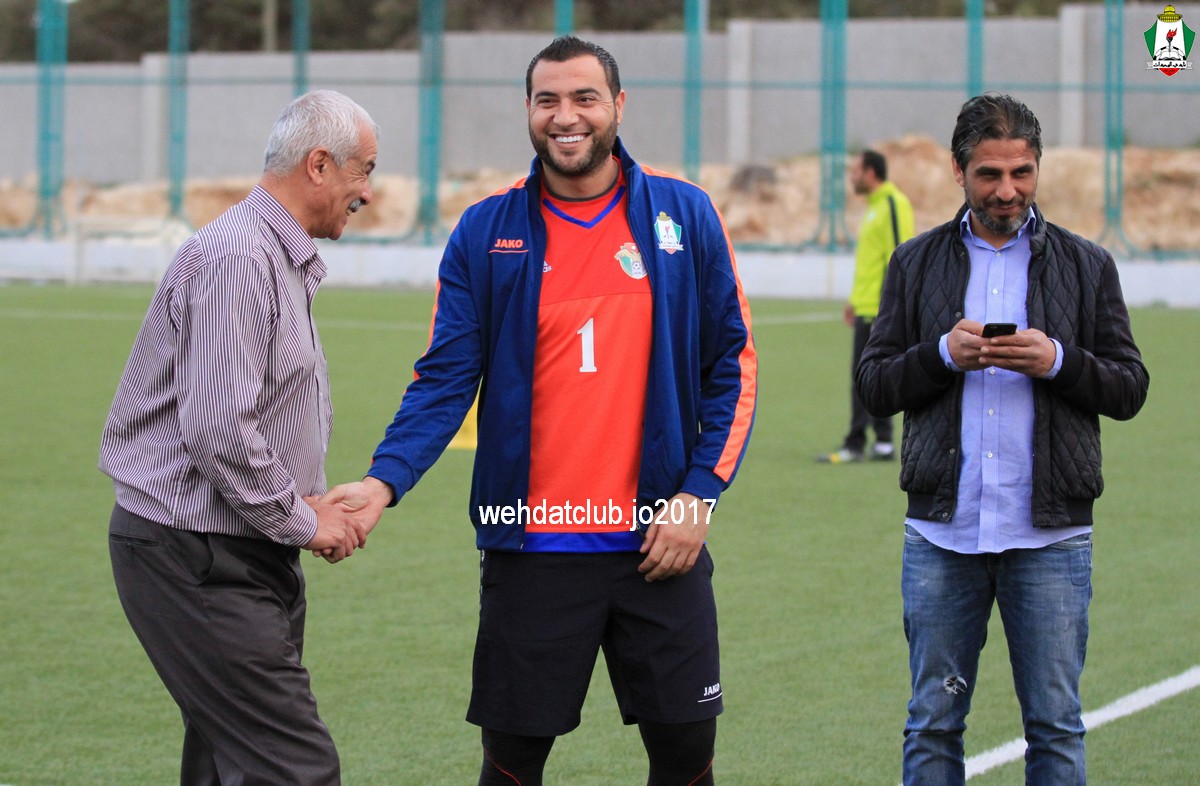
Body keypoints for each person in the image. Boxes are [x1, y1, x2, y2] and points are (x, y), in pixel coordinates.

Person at [320, 36, 757, 786]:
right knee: (512, 767)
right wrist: (383, 481)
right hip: (532, 550)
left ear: (618, 106)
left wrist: (697, 497)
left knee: (687, 765)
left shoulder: (684, 214)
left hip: (660, 544)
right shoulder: (485, 231)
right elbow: (445, 378)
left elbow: (733, 365)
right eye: (547, 100)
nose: (566, 116)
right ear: (528, 110)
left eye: (585, 97)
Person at [855, 93, 1149, 785]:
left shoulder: (1088, 264)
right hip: (942, 536)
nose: (1007, 190)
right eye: (989, 173)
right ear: (959, 171)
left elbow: (1129, 387)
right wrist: (942, 355)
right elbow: (874, 386)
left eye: (1022, 172)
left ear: (1038, 168)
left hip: (1050, 539)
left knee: (1055, 727)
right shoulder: (914, 263)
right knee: (933, 723)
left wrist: (1058, 362)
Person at [100, 89, 379, 785]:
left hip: (237, 547)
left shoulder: (275, 255)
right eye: (364, 171)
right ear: (320, 165)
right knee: (295, 768)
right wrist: (302, 519)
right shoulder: (239, 257)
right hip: (196, 554)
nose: (368, 193)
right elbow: (220, 429)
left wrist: (304, 500)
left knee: (228, 765)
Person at [816, 148, 913, 464]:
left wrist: (892, 307)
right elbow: (871, 264)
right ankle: (882, 442)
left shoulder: (893, 203)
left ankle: (855, 443)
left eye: (855, 171)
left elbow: (900, 257)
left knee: (863, 375)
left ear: (871, 172)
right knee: (874, 374)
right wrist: (855, 301)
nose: (852, 177)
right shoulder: (874, 207)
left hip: (879, 311)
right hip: (866, 306)